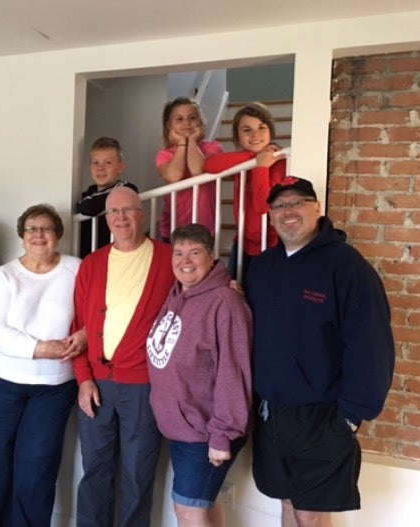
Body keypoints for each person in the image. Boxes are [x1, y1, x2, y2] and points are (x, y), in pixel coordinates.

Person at [244, 177, 395, 527]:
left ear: (317, 208)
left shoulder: (348, 268)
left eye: (298, 202)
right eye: (280, 206)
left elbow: (371, 346)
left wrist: (350, 417)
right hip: (272, 414)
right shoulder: (263, 267)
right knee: (285, 504)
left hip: (323, 417)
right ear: (271, 215)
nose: (288, 212)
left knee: (309, 515)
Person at [73, 186, 175, 527]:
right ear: (106, 219)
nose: (120, 217)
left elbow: (199, 280)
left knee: (138, 472)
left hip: (144, 386)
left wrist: (228, 284)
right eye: (113, 212)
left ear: (141, 214)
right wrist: (83, 378)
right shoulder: (92, 264)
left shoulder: (167, 258)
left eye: (127, 210)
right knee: (95, 470)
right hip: (97, 384)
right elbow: (79, 326)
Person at [0, 204, 86, 527]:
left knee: (37, 467)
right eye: (31, 229)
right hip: (2, 382)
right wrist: (40, 349)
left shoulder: (76, 269)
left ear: (58, 235)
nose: (39, 235)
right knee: (1, 465)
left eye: (46, 229)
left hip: (53, 388)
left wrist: (83, 336)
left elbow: (97, 311)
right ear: (22, 237)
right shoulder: (6, 275)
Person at [147, 223, 252, 527]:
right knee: (205, 505)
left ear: (211, 257)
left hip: (206, 432)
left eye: (195, 252)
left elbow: (235, 371)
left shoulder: (225, 303)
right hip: (183, 427)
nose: (185, 260)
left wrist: (222, 434)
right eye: (178, 253)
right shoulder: (177, 294)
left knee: (187, 511)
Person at [204, 102, 286, 280]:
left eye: (261, 127)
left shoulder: (279, 162)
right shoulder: (245, 161)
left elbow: (263, 205)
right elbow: (210, 164)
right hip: (242, 242)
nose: (255, 134)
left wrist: (261, 167)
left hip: (271, 243)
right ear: (238, 137)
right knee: (235, 292)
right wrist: (257, 158)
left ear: (270, 131)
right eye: (246, 130)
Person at [156, 97, 224, 241]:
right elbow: (174, 176)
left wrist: (192, 140)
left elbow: (198, 170)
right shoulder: (165, 154)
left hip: (205, 226)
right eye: (179, 119)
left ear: (200, 121)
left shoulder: (213, 147)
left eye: (192, 118)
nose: (186, 123)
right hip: (173, 227)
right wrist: (181, 144)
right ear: (169, 125)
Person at [76, 136, 139, 258]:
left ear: (120, 167)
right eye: (96, 162)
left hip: (116, 253)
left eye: (108, 162)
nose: (100, 168)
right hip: (88, 255)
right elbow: (83, 206)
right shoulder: (86, 195)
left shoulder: (125, 188)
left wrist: (87, 205)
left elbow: (89, 207)